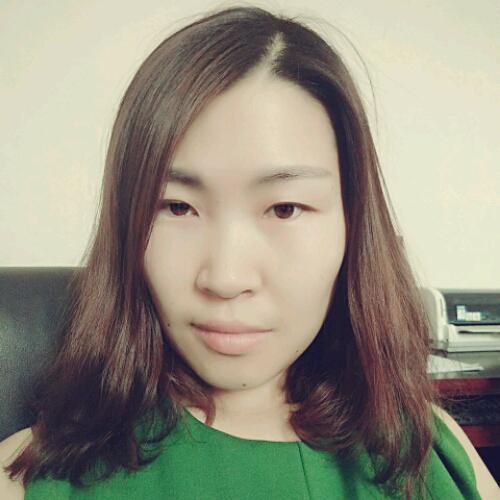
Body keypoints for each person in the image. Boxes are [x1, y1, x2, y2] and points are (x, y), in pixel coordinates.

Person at [1, 5, 498, 499]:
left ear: (353, 224)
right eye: (176, 206)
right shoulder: (29, 479)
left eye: (284, 208)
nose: (225, 277)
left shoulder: (434, 451)